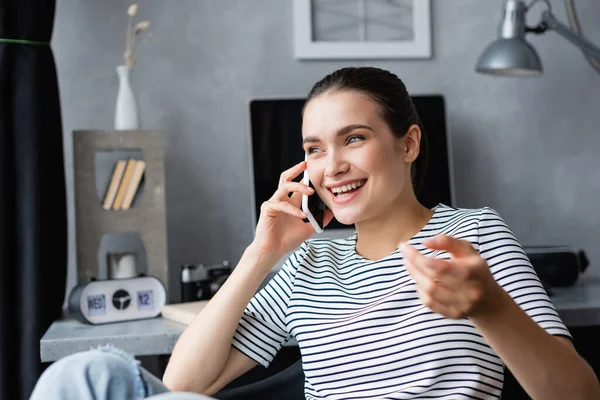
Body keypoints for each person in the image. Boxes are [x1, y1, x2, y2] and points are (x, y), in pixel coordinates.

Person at [31, 66, 599, 400]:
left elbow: (578, 393)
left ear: (408, 143)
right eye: (313, 149)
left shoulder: (470, 234)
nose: (331, 167)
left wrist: (489, 307)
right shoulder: (309, 267)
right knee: (88, 374)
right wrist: (260, 254)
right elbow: (185, 381)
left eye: (353, 138)